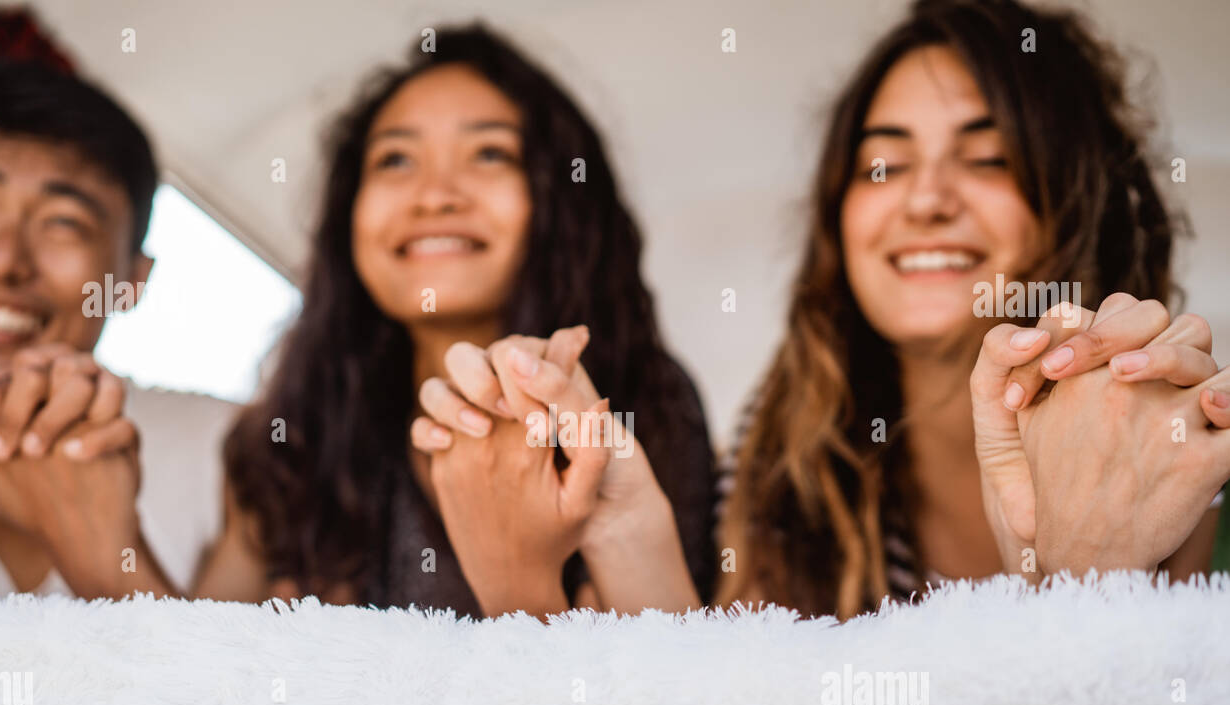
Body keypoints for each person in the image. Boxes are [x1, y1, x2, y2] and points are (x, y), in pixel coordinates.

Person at [411, 0, 1230, 620]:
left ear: (1078, 205)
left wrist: (1087, 568)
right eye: (883, 165)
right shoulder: (786, 440)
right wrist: (624, 538)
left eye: (989, 158)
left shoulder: (1177, 433)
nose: (926, 200)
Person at [18, 24, 716, 616]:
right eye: (396, 160)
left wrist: (518, 576)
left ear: (560, 201)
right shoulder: (293, 431)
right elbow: (210, 698)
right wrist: (105, 550)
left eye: (490, 154)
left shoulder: (635, 403)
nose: (434, 195)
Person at [0, 62, 235, 598]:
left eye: (64, 222)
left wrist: (107, 561)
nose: (4, 262)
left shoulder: (234, 458)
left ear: (132, 282)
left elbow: (263, 683)